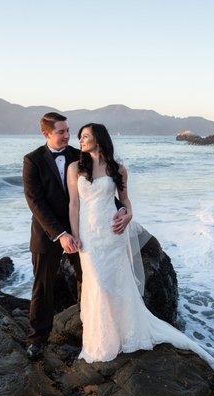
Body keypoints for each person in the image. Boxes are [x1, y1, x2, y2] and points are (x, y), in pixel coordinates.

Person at [65, 123, 214, 368]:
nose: (81, 140)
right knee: (97, 285)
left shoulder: (118, 169)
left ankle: (124, 333)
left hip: (112, 233)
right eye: (80, 137)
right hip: (88, 236)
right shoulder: (75, 167)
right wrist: (74, 235)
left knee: (116, 283)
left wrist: (127, 215)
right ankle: (101, 341)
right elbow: (73, 204)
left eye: (86, 136)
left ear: (99, 139)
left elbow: (125, 201)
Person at [22, 112, 130, 360]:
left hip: (82, 232)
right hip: (47, 233)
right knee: (43, 286)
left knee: (89, 280)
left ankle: (91, 331)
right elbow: (35, 202)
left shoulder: (78, 156)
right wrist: (60, 234)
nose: (67, 136)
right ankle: (38, 338)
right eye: (61, 132)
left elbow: (100, 191)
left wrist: (122, 209)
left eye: (68, 131)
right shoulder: (32, 160)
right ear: (46, 133)